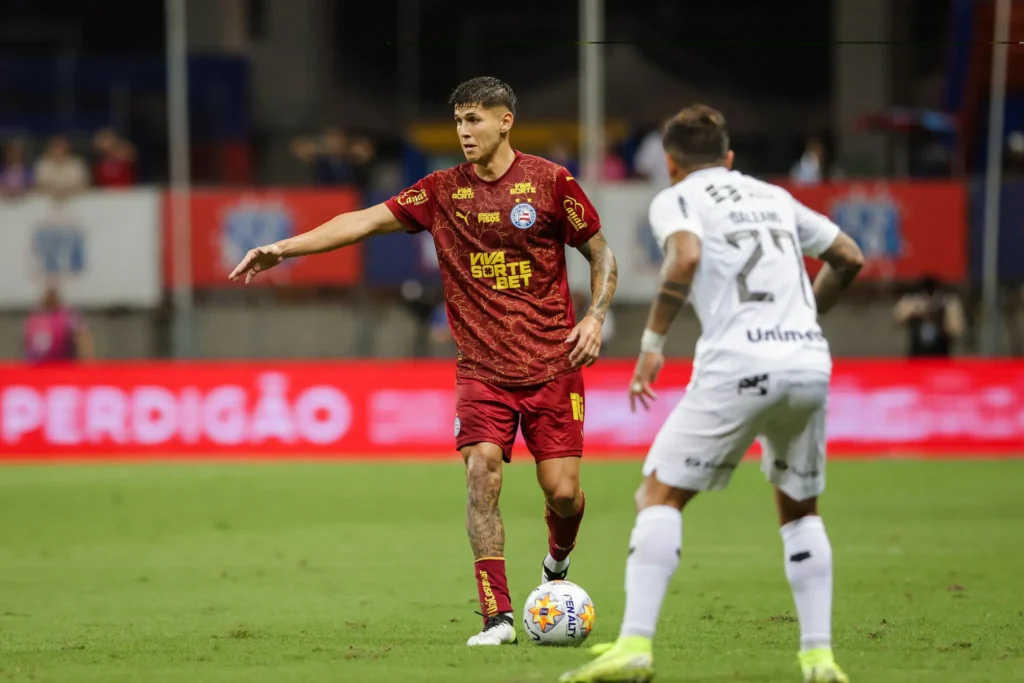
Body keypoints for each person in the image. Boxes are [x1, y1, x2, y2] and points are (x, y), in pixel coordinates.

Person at [229, 77, 618, 647]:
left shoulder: (550, 182)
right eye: (459, 121)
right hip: (481, 370)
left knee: (562, 493)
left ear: (505, 120)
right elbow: (362, 220)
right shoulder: (440, 191)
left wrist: (596, 317)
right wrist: (283, 249)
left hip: (553, 365)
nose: (464, 131)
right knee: (481, 471)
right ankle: (497, 617)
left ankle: (556, 564)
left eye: (474, 119)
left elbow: (601, 253)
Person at [560, 104, 864, 683]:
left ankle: (634, 646)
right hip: (807, 361)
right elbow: (849, 256)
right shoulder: (775, 196)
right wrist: (805, 315)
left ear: (671, 163)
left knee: (658, 495)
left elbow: (686, 255)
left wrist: (652, 343)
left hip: (738, 363)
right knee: (800, 510)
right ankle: (819, 658)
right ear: (728, 156)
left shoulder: (677, 198)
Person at [893, 275, 965, 358]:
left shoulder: (948, 302)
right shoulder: (912, 301)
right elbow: (898, 317)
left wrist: (940, 319)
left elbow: (956, 328)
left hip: (940, 353)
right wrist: (917, 313)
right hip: (917, 354)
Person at [23, 284, 94, 364]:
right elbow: (27, 343)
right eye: (47, 294)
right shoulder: (35, 317)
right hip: (36, 366)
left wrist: (87, 361)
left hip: (61, 365)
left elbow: (83, 338)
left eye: (52, 295)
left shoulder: (68, 315)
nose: (49, 298)